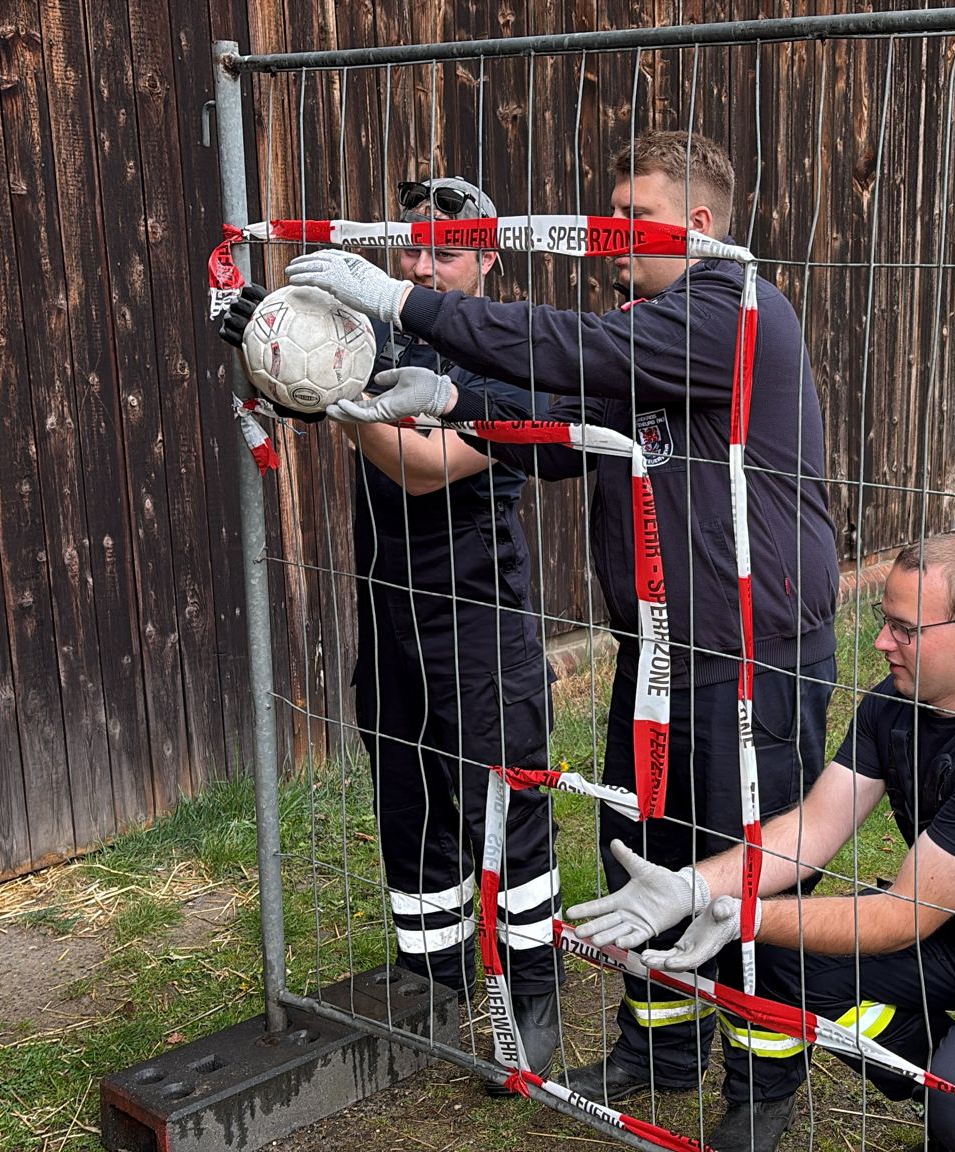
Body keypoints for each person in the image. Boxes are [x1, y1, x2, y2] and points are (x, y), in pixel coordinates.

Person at [287, 133, 842, 1101]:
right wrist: (453, 394)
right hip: (655, 648)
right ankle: (658, 1048)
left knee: (752, 867)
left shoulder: (734, 309)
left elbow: (569, 348)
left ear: (698, 225)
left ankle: (764, 1082)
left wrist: (403, 303)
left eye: (630, 217)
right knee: (646, 851)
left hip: (752, 651)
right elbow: (554, 429)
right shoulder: (647, 325)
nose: (606, 235)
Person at [566, 535, 955, 1152]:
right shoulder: (893, 706)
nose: (881, 643)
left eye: (904, 629)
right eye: (885, 622)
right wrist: (694, 887)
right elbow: (812, 828)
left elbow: (899, 916)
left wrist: (748, 914)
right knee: (780, 959)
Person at [219, 176, 565, 1080]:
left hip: (479, 613)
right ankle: (433, 984)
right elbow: (327, 385)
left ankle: (532, 989)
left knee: (503, 801)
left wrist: (332, 385)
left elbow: (421, 466)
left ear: (488, 256)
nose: (419, 267)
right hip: (389, 606)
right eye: (410, 249)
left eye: (444, 252)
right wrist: (280, 350)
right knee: (407, 804)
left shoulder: (510, 351)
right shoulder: (389, 333)